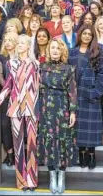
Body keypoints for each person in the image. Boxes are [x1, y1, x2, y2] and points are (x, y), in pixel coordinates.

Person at [0, 34, 40, 191]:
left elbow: (39, 87)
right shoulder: (11, 63)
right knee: (18, 145)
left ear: (29, 46)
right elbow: (8, 85)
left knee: (31, 144)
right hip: (15, 107)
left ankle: (32, 179)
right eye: (19, 43)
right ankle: (21, 179)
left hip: (31, 107)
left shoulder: (35, 64)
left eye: (23, 43)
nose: (20, 45)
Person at [37, 39, 77, 194]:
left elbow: (72, 91)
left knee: (63, 142)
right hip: (46, 108)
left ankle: (62, 175)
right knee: (48, 141)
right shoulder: (42, 67)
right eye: (52, 48)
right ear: (48, 50)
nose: (54, 51)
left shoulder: (69, 69)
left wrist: (73, 112)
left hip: (63, 109)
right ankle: (52, 175)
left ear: (62, 51)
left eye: (58, 48)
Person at [69, 24, 103, 170]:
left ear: (92, 37)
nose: (86, 36)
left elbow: (102, 74)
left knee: (91, 129)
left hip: (91, 96)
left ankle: (91, 154)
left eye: (89, 34)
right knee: (78, 128)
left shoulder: (98, 52)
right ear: (80, 35)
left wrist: (96, 93)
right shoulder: (72, 52)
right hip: (76, 96)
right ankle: (81, 153)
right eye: (84, 33)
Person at [0, 32, 19, 166]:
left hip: (20, 96)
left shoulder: (21, 58)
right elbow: (0, 76)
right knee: (5, 125)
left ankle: (18, 153)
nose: (8, 43)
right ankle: (9, 153)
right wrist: (8, 89)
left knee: (17, 126)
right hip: (5, 96)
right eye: (6, 40)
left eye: (11, 40)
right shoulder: (1, 57)